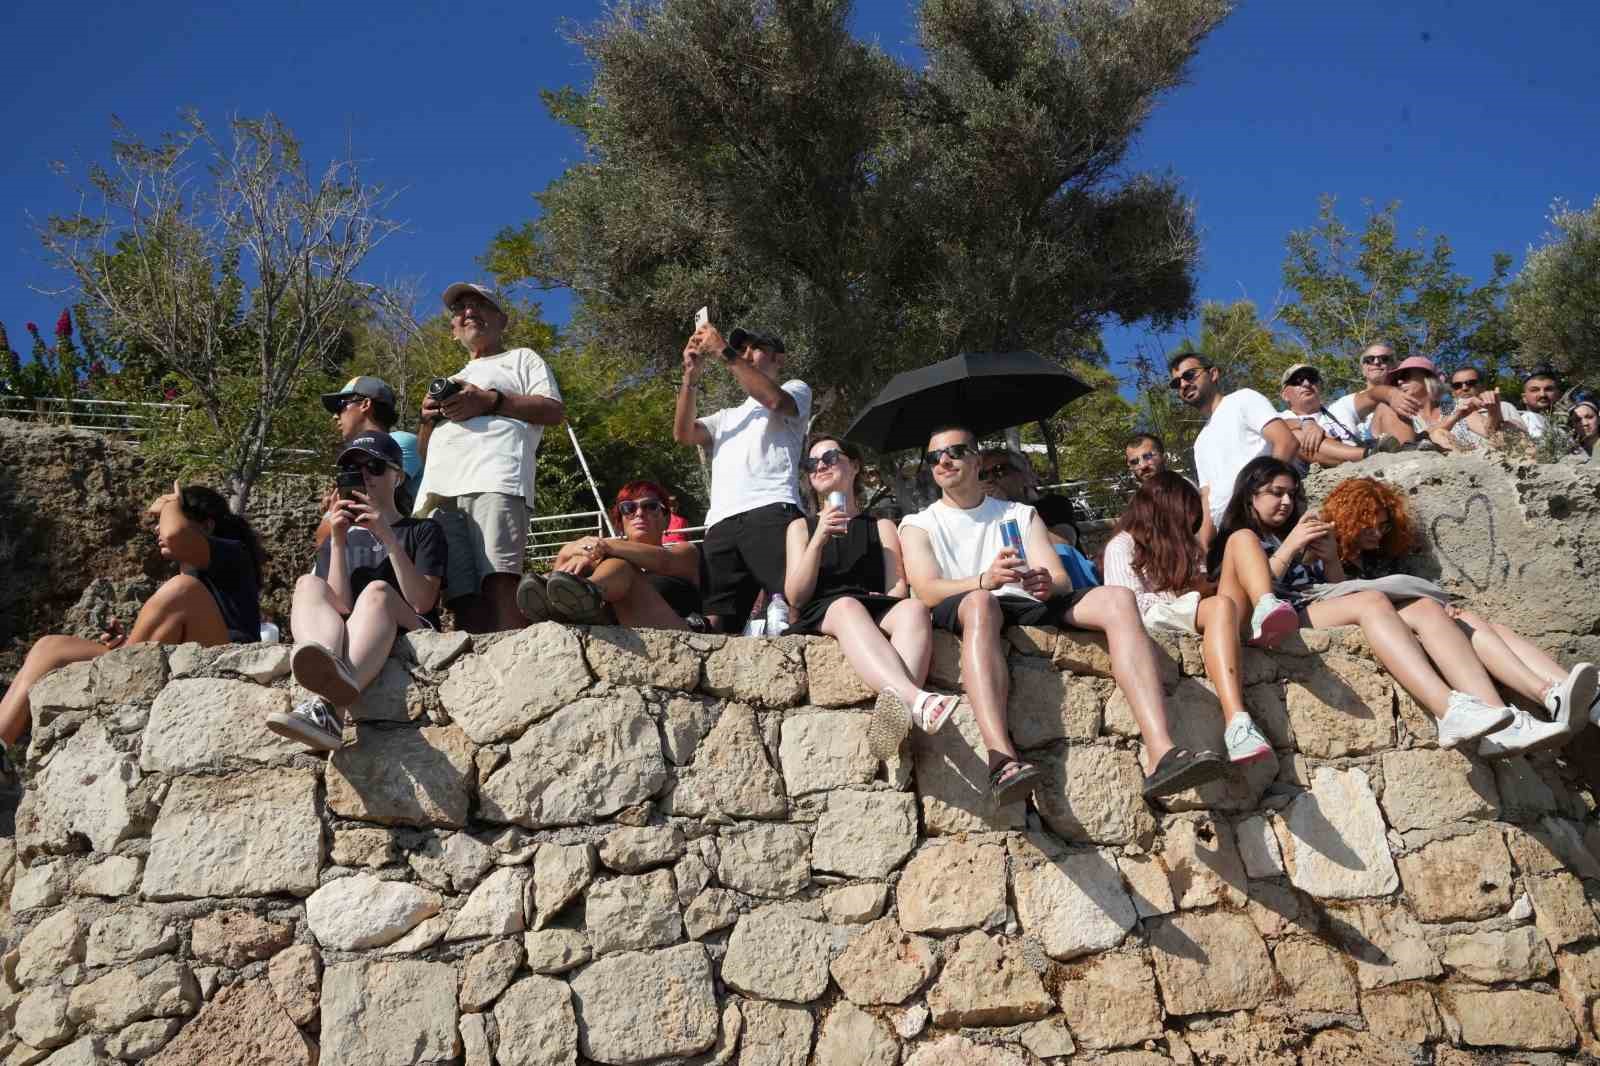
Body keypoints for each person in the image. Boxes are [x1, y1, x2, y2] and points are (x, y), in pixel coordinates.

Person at [898, 425, 1226, 805]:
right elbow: (926, 589)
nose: (944, 461)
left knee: (1118, 598)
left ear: (976, 458)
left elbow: (1057, 578)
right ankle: (1001, 759)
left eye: (954, 451)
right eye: (935, 456)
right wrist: (984, 580)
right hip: (970, 602)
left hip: (1025, 600)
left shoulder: (1019, 514)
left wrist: (1042, 582)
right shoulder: (919, 523)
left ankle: (1162, 752)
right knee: (981, 603)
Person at [1207, 457, 1524, 753]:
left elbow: (1335, 591)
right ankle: (1447, 709)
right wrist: (1290, 547)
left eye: (1292, 493)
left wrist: (1329, 557)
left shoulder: (1290, 538)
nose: (1287, 502)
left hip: (1298, 610)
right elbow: (1253, 590)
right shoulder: (1238, 538)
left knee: (1416, 606)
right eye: (1277, 493)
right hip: (1256, 620)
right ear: (1250, 494)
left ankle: (1491, 714)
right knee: (1369, 600)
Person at [1321, 476, 1593, 748]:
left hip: (1408, 622)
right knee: (1443, 613)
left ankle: (1562, 694)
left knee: (1476, 623)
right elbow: (1341, 598)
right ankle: (1540, 700)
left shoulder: (1377, 559)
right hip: (1384, 627)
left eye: (1383, 526)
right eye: (1369, 525)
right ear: (1349, 517)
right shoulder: (1323, 551)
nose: (1378, 533)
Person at [1, 484, 264, 745]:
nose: (157, 529)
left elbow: (175, 535)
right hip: (177, 662)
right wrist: (125, 645)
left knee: (182, 591)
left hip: (226, 661)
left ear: (206, 527)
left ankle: (124, 671)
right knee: (51, 648)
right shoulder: (187, 578)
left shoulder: (233, 554)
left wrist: (171, 501)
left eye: (165, 519)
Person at [269, 432, 446, 751]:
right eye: (352, 469)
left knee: (378, 591)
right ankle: (328, 693)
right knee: (307, 583)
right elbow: (341, 607)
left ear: (398, 476)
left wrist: (387, 536)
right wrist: (337, 540)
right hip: (356, 636)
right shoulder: (341, 537)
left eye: (374, 467)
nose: (364, 475)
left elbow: (422, 602)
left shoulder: (422, 530)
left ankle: (328, 707)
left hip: (412, 631)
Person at [783, 436, 958, 744]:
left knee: (915, 609)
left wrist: (890, 599)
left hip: (873, 606)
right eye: (812, 463)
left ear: (854, 466)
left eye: (830, 457)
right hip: (825, 609)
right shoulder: (800, 528)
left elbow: (897, 588)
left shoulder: (881, 526)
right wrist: (819, 539)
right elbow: (795, 596)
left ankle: (896, 717)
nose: (820, 466)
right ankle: (915, 699)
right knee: (846, 606)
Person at [414, 283, 565, 633]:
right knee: (460, 592)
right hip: (440, 491)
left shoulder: (522, 358)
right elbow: (426, 452)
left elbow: (554, 410)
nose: (468, 312)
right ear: (453, 332)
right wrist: (427, 419)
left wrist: (491, 400)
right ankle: (482, 676)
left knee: (499, 579)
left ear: (502, 320)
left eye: (479, 304)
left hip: (495, 477)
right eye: (460, 309)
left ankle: (515, 663)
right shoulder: (452, 380)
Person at [1101, 473, 1274, 763]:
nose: (1190, 523)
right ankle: (1236, 721)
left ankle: (1266, 603)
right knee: (1219, 606)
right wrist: (1186, 595)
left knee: (1240, 540)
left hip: (1195, 611)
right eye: (1187, 514)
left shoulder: (1186, 546)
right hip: (1160, 617)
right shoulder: (1122, 545)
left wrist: (1200, 589)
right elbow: (1130, 605)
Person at [671, 321, 810, 633]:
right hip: (721, 521)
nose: (745, 353)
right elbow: (683, 433)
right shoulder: (726, 417)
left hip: (771, 508)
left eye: (754, 347)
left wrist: (723, 350)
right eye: (741, 347)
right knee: (717, 617)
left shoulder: (795, 390)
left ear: (779, 359)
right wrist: (690, 376)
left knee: (795, 599)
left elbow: (774, 402)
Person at [519, 480, 704, 630]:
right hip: (619, 630)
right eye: (628, 508)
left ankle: (588, 592)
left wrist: (604, 546)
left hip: (677, 629)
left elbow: (664, 562)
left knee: (622, 565)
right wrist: (570, 550)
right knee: (581, 569)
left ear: (666, 519)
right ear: (620, 522)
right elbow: (562, 566)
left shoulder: (683, 551)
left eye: (651, 506)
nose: (639, 513)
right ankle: (568, 597)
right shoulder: (604, 555)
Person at [1168, 353, 1301, 538]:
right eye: (1176, 383)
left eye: (1189, 375)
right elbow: (1208, 498)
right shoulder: (1200, 443)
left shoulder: (1242, 400)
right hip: (1228, 535)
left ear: (1213, 374)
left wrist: (1264, 497)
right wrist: (1205, 549)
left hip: (1265, 527)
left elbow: (1286, 442)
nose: (1183, 384)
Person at [316, 375, 408, 548]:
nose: (335, 416)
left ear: (365, 404)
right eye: (355, 466)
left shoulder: (401, 447)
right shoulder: (347, 459)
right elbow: (323, 543)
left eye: (341, 405)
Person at [1274, 363, 1407, 469]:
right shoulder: (1278, 417)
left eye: (1312, 379)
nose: (1306, 384)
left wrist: (1391, 393)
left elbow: (1372, 395)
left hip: (1368, 469)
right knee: (1293, 436)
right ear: (1285, 395)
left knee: (1387, 403)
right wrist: (1305, 423)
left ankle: (1408, 450)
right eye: (1297, 381)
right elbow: (1273, 427)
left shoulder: (1339, 407)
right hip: (1325, 476)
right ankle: (1370, 454)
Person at [1372, 356, 1465, 451]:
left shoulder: (1455, 406)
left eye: (1405, 376)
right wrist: (1451, 420)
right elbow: (1403, 447)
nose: (1399, 381)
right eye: (1396, 380)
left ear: (1428, 378)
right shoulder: (1394, 412)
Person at [1444, 365, 1531, 452]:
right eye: (1457, 385)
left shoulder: (1504, 407)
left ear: (1482, 386)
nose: (1464, 388)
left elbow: (1522, 437)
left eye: (1471, 383)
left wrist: (1494, 412)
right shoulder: (1447, 416)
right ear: (1453, 392)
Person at [1346, 342, 1403, 440]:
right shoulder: (1346, 403)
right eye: (1369, 360)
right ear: (1363, 369)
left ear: (1394, 366)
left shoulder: (1408, 398)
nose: (1376, 362)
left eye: (1384, 359)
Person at [1520, 367, 1561, 441]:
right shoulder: (1519, 425)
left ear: (1557, 395)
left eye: (1548, 389)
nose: (1542, 394)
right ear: (1524, 398)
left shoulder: (1562, 430)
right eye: (1534, 390)